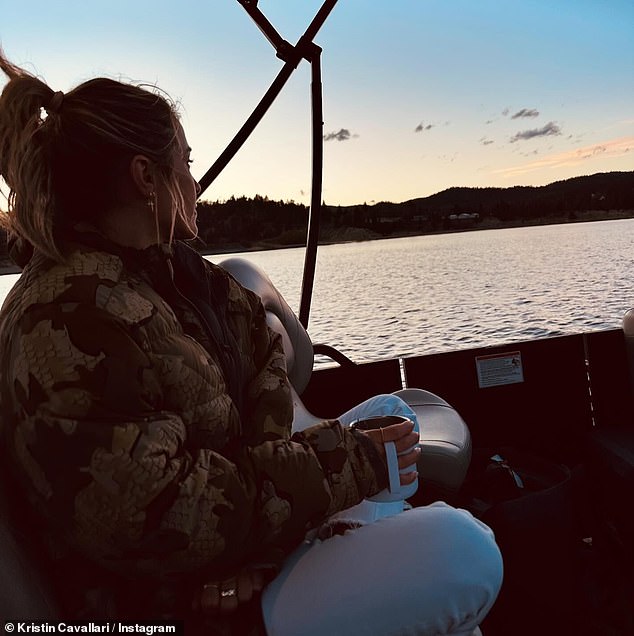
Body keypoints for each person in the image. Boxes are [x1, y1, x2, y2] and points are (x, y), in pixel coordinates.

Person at [0, 48, 502, 634]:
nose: (194, 180)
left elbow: (258, 354)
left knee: (393, 417)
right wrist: (348, 465)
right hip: (181, 607)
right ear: (147, 178)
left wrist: (267, 547)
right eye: (185, 163)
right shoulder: (67, 321)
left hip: (243, 551)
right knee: (463, 551)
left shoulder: (168, 275)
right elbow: (156, 518)